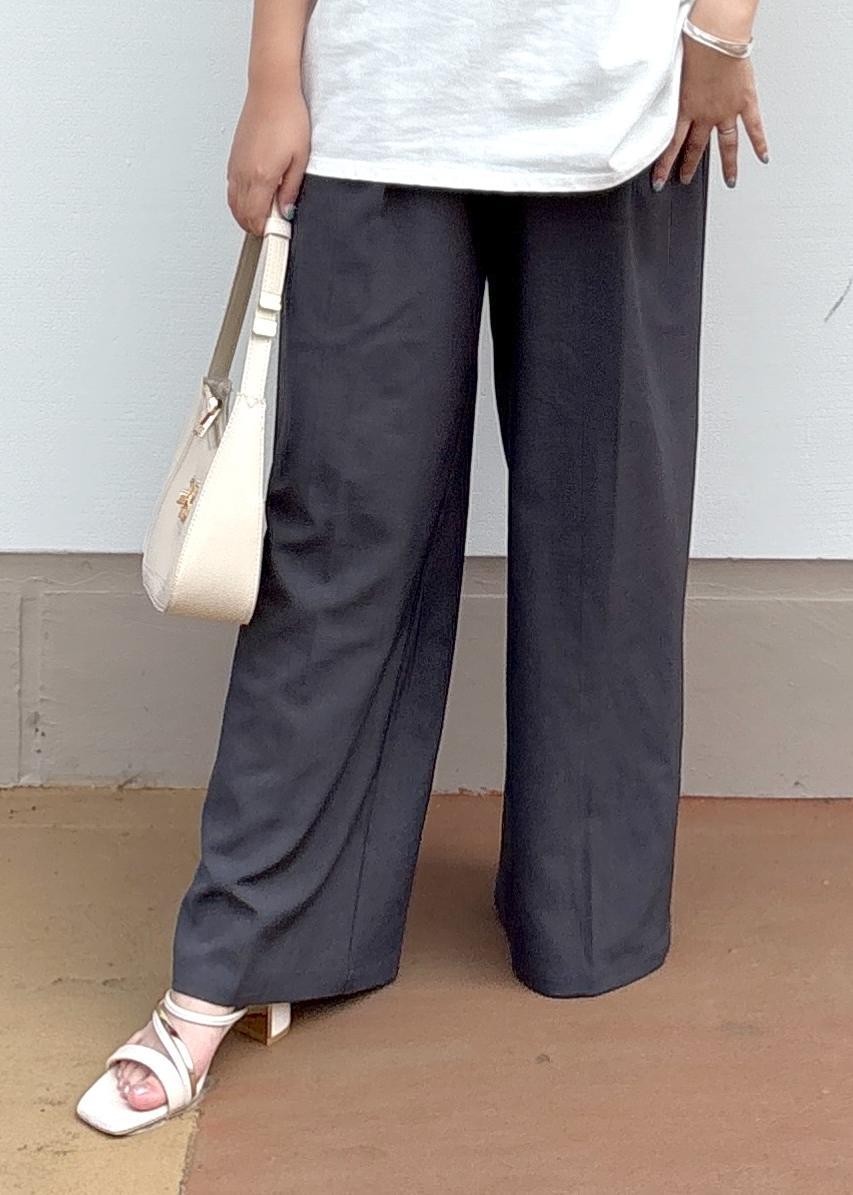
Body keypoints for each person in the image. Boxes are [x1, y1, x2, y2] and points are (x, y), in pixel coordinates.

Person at [77, 0, 768, 1135]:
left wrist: (723, 29)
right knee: (333, 541)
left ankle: (585, 908)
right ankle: (238, 953)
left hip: (623, 103)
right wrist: (271, 79)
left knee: (609, 550)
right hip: (381, 101)